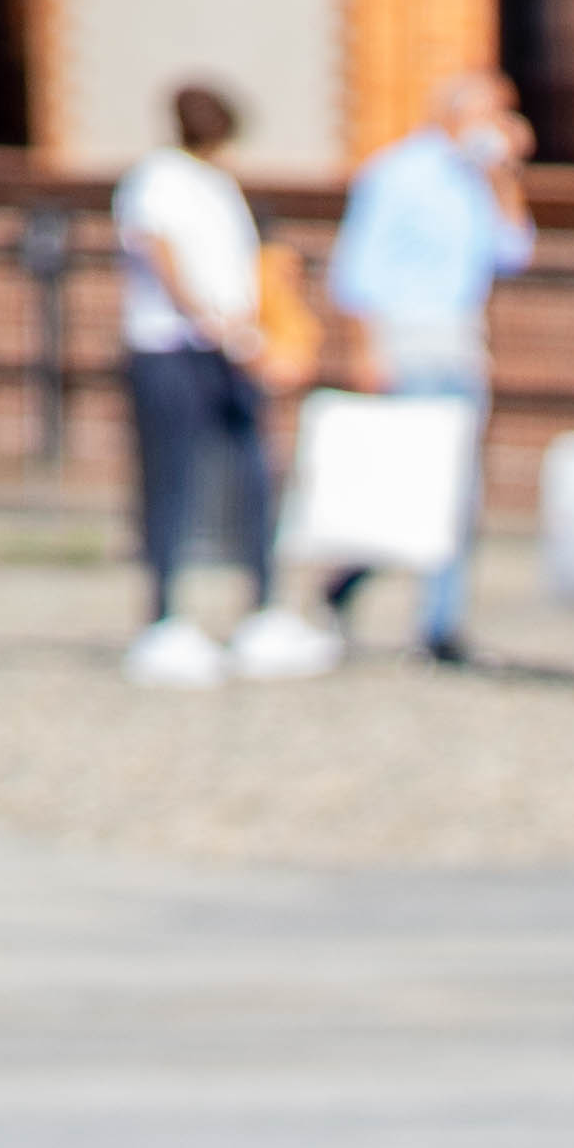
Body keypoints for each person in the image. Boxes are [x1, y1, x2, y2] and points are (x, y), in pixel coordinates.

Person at [111, 85, 336, 685]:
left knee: (251, 473)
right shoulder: (155, 179)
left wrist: (249, 328)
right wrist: (203, 315)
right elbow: (160, 251)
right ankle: (164, 617)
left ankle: (261, 607)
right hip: (169, 348)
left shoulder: (218, 186)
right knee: (172, 481)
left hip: (231, 351)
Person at [321, 66, 536, 663]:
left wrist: (505, 179)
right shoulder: (397, 173)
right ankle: (350, 576)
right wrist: (367, 349)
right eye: (491, 114)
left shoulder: (479, 180)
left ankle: (441, 625)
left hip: (462, 345)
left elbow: (515, 253)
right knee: (406, 483)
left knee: (458, 490)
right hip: (406, 344)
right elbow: (357, 269)